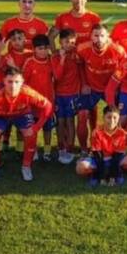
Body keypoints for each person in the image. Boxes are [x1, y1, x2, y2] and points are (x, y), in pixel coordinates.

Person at [0, 67, 53, 182]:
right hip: (0, 116)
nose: (13, 86)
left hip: (21, 115)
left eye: (16, 82)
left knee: (30, 134)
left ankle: (26, 166)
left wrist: (36, 127)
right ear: (4, 81)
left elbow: (48, 106)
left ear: (22, 82)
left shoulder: (28, 92)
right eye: (9, 82)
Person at [76, 23, 127, 139]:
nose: (99, 39)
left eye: (102, 36)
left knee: (118, 116)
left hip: (111, 89)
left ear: (108, 37)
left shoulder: (118, 51)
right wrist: (84, 83)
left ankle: (116, 144)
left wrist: (117, 87)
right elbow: (79, 64)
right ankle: (84, 150)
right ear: (91, 36)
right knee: (82, 115)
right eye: (96, 35)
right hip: (91, 88)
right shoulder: (82, 49)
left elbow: (124, 69)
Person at [22, 35, 56, 161]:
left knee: (48, 128)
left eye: (46, 48)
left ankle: (47, 151)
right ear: (34, 49)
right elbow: (23, 83)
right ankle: (33, 149)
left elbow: (56, 78)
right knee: (33, 128)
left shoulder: (51, 61)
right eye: (40, 48)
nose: (43, 51)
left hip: (48, 102)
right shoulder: (29, 62)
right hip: (32, 104)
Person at [51, 28, 83, 164]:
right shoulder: (55, 56)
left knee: (70, 121)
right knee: (60, 122)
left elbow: (83, 71)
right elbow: (57, 76)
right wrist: (62, 59)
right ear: (60, 42)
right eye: (66, 42)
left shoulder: (77, 56)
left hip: (72, 95)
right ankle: (61, 148)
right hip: (59, 95)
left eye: (72, 42)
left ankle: (69, 149)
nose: (69, 44)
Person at [86, 105, 127, 187]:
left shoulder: (121, 133)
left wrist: (113, 177)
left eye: (115, 118)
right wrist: (101, 177)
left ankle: (117, 173)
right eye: (109, 117)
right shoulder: (97, 132)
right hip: (100, 158)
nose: (112, 121)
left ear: (118, 118)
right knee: (81, 168)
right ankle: (96, 175)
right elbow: (98, 156)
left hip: (114, 159)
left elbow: (117, 156)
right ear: (103, 117)